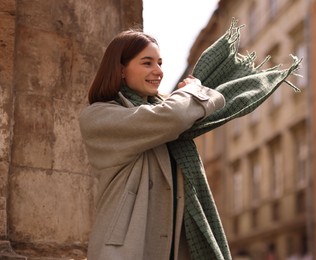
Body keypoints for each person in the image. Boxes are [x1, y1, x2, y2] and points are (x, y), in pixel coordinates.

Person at [78, 29, 226, 260]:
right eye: (147, 63)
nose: (158, 72)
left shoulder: (164, 118)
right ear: (120, 69)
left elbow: (173, 116)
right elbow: (173, 117)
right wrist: (194, 90)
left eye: (159, 63)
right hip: (124, 251)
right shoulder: (98, 117)